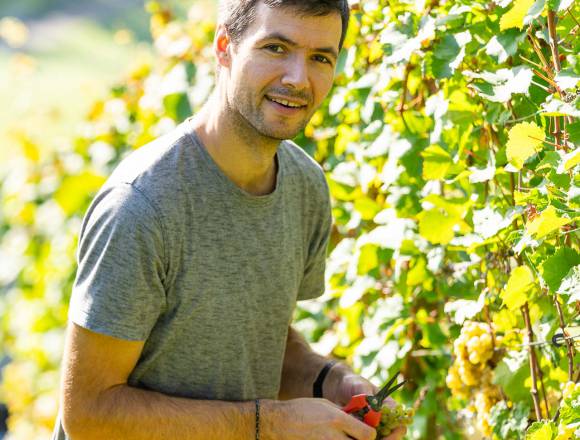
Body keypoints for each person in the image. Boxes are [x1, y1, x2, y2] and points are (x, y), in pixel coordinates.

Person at [51, 1, 407, 439]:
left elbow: (254, 344)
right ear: (225, 47)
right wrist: (267, 425)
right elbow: (88, 413)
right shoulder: (143, 205)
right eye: (276, 48)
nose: (298, 78)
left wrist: (331, 380)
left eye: (320, 58)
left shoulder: (306, 188)